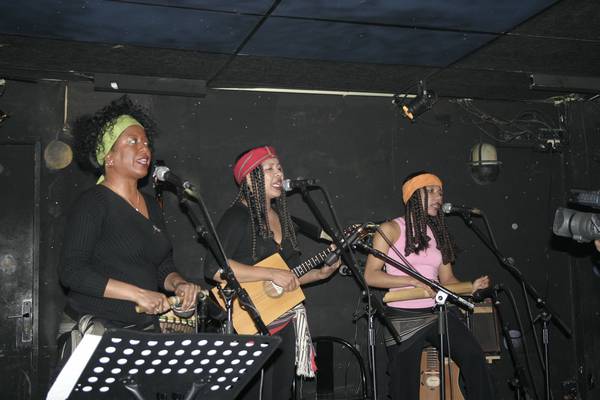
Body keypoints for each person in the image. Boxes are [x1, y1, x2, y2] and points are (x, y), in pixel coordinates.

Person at [58, 96, 202, 344]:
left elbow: (162, 266)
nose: (145, 149)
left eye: (146, 143)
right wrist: (137, 294)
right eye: (133, 141)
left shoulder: (152, 206)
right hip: (95, 329)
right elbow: (71, 271)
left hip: (141, 330)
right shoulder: (93, 202)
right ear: (109, 157)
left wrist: (179, 284)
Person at [204, 145, 340, 400]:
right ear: (249, 179)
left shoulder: (283, 219)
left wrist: (319, 274)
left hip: (284, 318)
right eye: (269, 169)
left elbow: (288, 275)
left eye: (279, 168)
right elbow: (214, 268)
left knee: (279, 392)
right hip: (251, 320)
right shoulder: (237, 216)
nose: (279, 174)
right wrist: (270, 273)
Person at [364, 171, 495, 399]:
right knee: (404, 387)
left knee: (474, 356)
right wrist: (410, 280)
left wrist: (469, 287)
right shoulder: (390, 229)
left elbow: (448, 280)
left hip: (437, 312)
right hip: (403, 316)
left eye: (440, 192)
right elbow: (370, 276)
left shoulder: (438, 233)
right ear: (413, 196)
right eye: (431, 191)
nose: (439, 197)